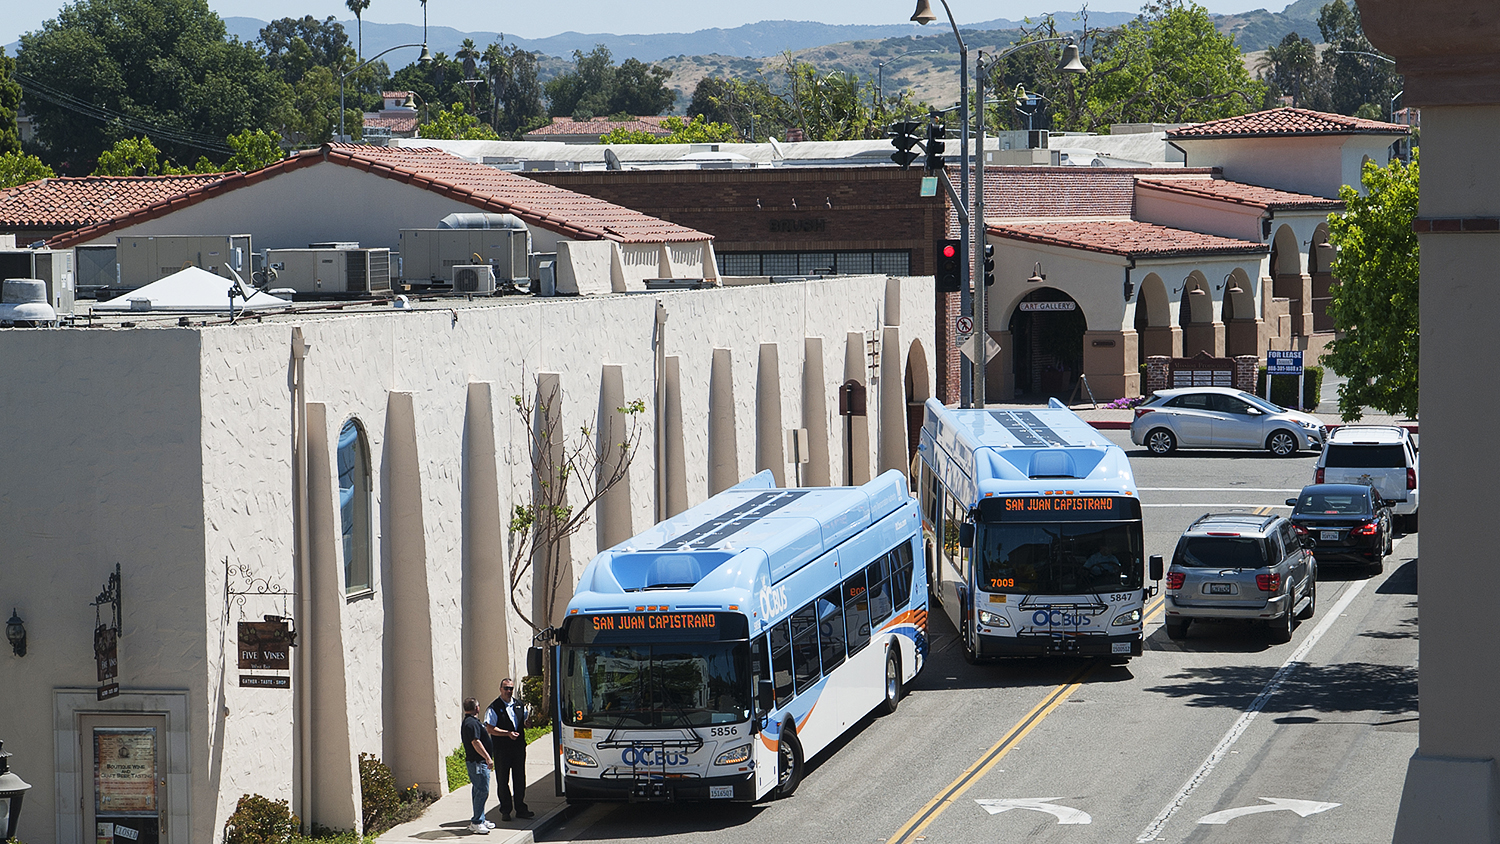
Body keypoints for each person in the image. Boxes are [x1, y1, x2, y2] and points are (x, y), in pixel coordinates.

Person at [485, 678, 533, 821]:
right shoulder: (494, 707)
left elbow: (524, 722)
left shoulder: (519, 705)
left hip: (518, 748)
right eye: (506, 688)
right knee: (503, 779)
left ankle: (521, 808)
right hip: (502, 750)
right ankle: (505, 810)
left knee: (519, 778)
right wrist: (507, 734)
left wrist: (527, 723)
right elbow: (490, 728)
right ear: (500, 689)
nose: (508, 691)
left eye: (511, 688)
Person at [460, 697, 495, 835]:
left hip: (477, 762)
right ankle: (476, 822)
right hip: (477, 763)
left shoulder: (471, 722)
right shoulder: (471, 724)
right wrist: (487, 758)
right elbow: (476, 742)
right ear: (477, 708)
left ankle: (480, 818)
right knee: (482, 791)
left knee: (478, 790)